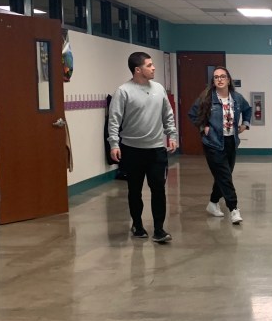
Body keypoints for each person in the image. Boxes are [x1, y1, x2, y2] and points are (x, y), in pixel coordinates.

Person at [108, 52, 178, 243]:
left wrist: (172, 135)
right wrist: (114, 144)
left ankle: (159, 229)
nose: (153, 68)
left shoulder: (159, 89)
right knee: (134, 190)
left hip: (156, 150)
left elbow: (167, 114)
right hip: (132, 150)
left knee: (158, 190)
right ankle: (137, 225)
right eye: (149, 65)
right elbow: (114, 120)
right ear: (138, 70)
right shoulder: (123, 91)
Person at [189, 67, 252, 225]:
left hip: (231, 141)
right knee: (225, 176)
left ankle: (213, 203)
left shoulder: (237, 98)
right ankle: (233, 209)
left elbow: (247, 109)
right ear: (213, 81)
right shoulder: (207, 98)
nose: (220, 79)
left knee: (224, 174)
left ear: (228, 80)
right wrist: (203, 127)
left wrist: (245, 124)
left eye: (223, 76)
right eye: (216, 77)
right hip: (213, 142)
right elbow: (193, 113)